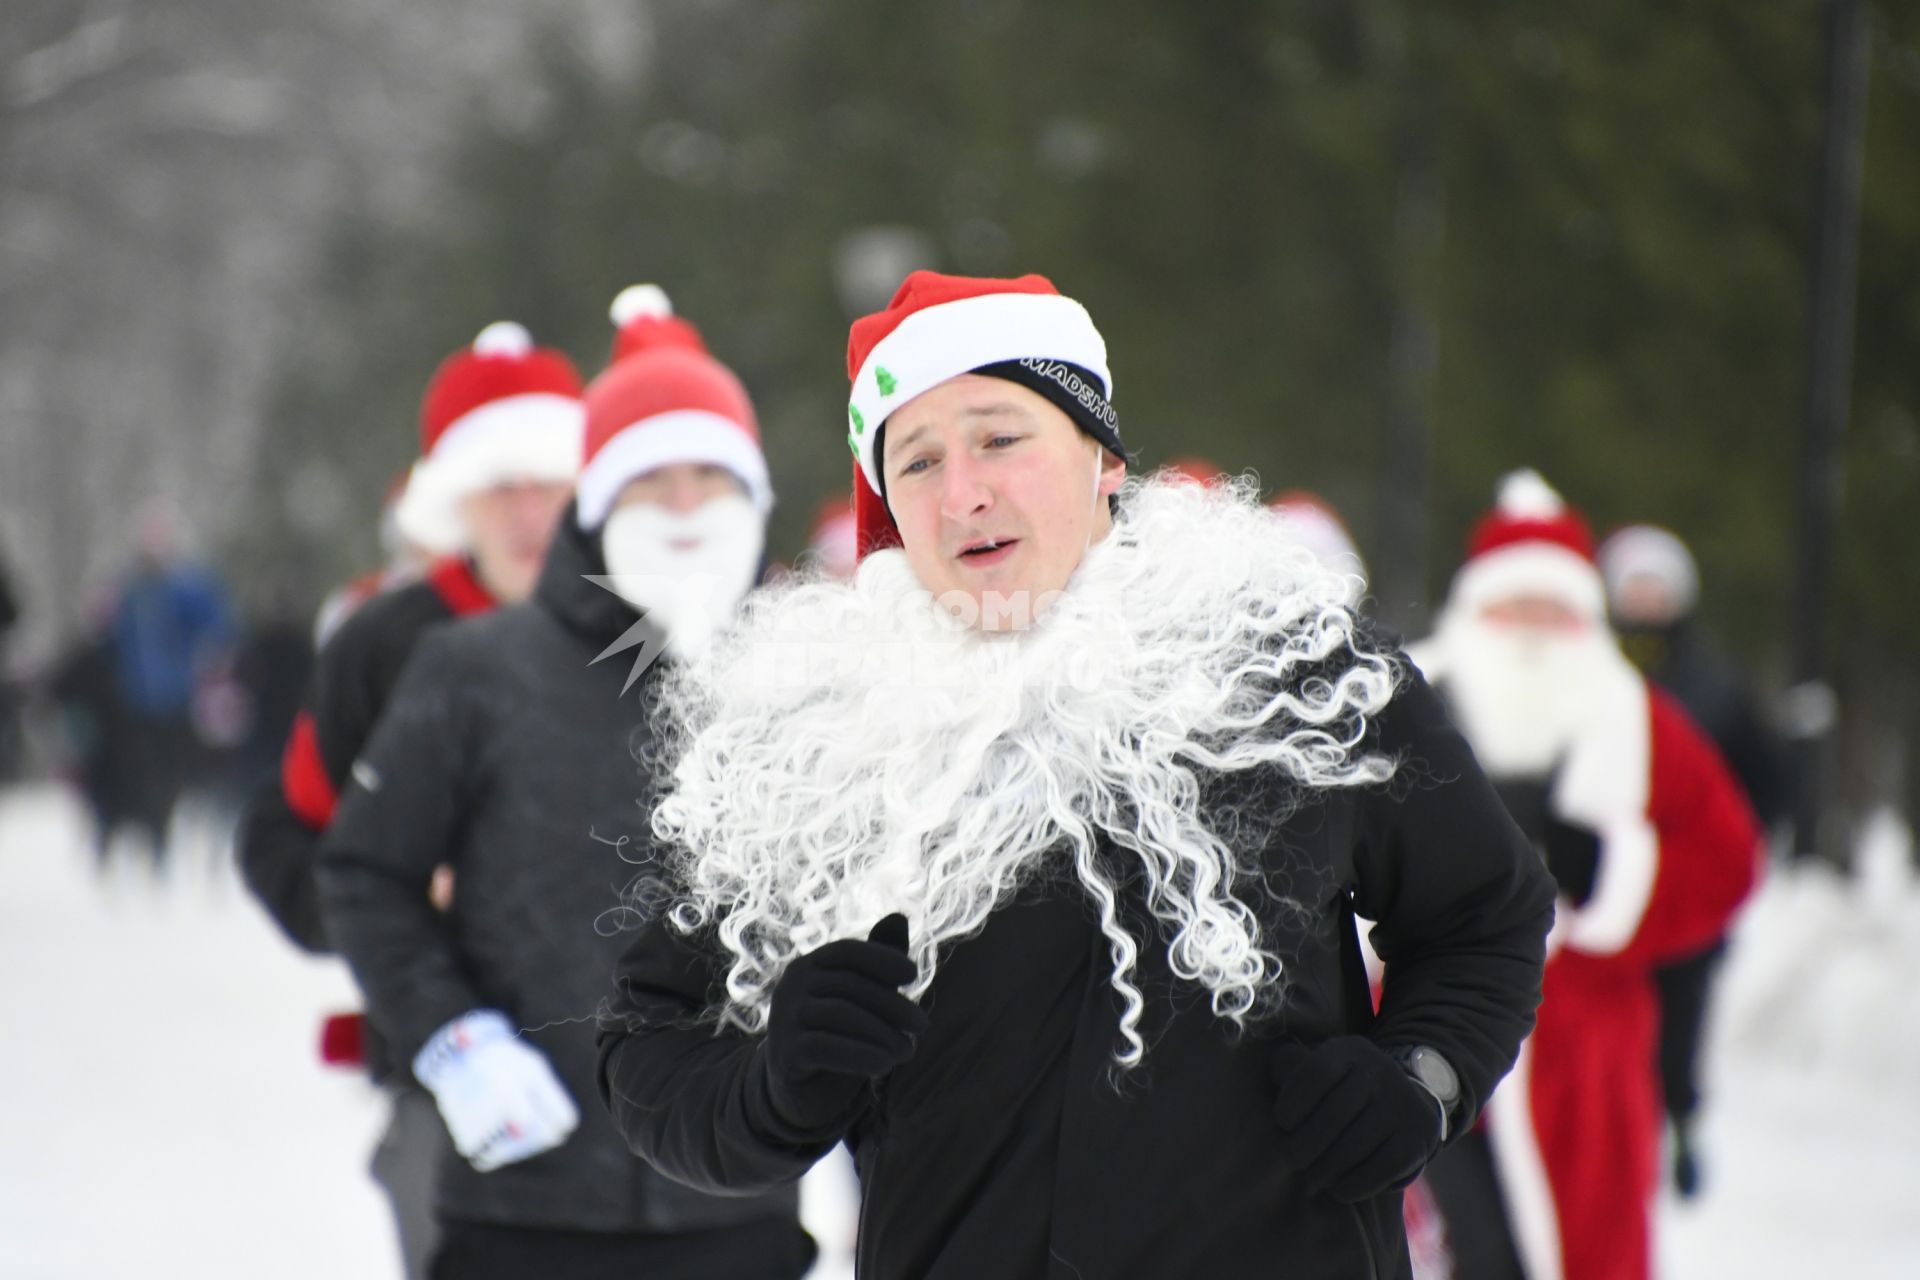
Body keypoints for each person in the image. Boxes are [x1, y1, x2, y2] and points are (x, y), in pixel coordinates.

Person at [597, 270, 1556, 1278]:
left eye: (1000, 436)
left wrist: (1424, 1077)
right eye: (915, 460)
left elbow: (1484, 919)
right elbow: (647, 1044)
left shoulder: (1287, 665)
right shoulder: (815, 735)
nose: (962, 489)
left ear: (1099, 453)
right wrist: (773, 1087)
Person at [318, 285, 811, 1280]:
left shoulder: (809, 674)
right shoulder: (474, 666)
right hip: (522, 1209)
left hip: (739, 1208)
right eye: (649, 480)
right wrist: (454, 1039)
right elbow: (364, 871)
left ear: (753, 501)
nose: (682, 508)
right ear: (595, 503)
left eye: (711, 478)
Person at [236, 320, 583, 1279]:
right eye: (497, 488)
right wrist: (386, 908)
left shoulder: (642, 626)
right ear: (449, 504)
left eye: (547, 482)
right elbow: (283, 836)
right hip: (445, 1074)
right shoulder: (382, 643)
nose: (526, 514)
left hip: (634, 1078)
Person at [1408, 472, 1761, 1280]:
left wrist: (1614, 882)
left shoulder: (1632, 716)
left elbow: (1728, 859)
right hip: (1420, 1032)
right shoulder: (1414, 696)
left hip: (1583, 1050)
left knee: (1583, 1249)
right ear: (1473, 612)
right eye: (1511, 608)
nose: (1531, 630)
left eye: (1552, 610)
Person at [1599, 522, 1787, 1197]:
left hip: (1679, 891)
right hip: (1601, 891)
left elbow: (1759, 788)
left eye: (1658, 590)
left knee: (1678, 1018)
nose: (1646, 604)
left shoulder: (1716, 689)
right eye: (1634, 589)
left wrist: (1726, 860)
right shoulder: (1589, 673)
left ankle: (1675, 1121)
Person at [102, 504, 236, 868]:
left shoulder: (187, 587)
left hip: (182, 699)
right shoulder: (129, 591)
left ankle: (191, 831)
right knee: (151, 774)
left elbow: (220, 626)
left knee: (187, 773)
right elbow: (111, 638)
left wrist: (206, 662)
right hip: (141, 702)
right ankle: (157, 835)